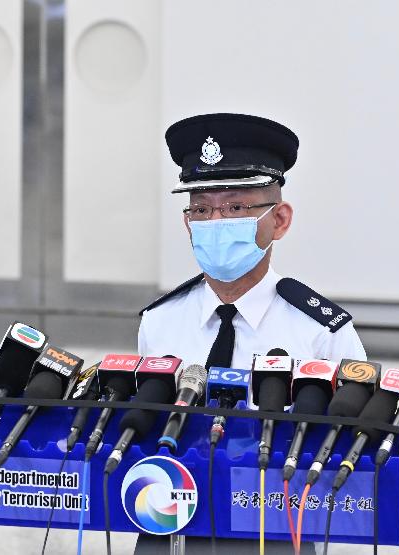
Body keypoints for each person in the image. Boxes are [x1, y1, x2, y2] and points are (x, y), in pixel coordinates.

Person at [136, 114, 366, 554]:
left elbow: (343, 459)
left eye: (236, 208)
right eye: (201, 209)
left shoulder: (321, 330)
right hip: (169, 528)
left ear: (279, 220)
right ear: (187, 223)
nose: (215, 221)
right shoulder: (160, 321)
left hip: (274, 532)